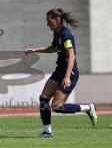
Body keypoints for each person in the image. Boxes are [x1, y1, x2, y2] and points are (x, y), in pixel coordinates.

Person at [25, 8, 97, 137]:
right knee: (43, 99)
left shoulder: (66, 34)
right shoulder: (57, 33)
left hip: (70, 73)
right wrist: (35, 50)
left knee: (57, 107)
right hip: (59, 70)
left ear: (57, 20)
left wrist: (67, 76)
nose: (47, 24)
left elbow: (71, 56)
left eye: (49, 21)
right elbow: (53, 47)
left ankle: (87, 108)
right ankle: (47, 132)